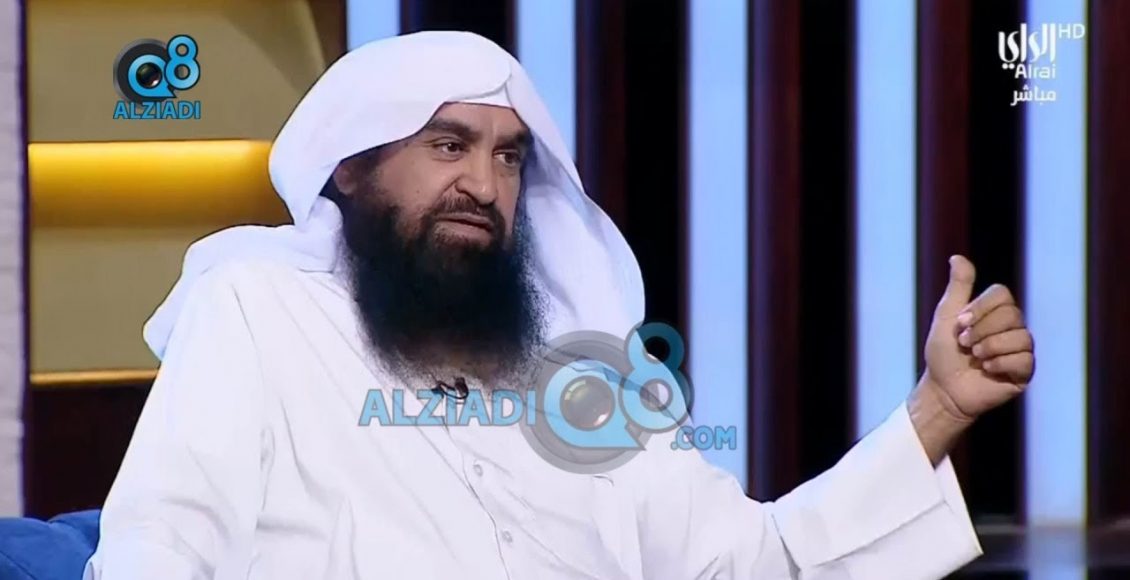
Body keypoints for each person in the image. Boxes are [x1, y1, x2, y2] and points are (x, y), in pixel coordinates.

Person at [84, 31, 1035, 579]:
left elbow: (758, 561)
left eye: (508, 157)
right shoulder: (259, 309)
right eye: (448, 146)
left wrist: (937, 411)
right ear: (352, 168)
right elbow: (161, 543)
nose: (483, 185)